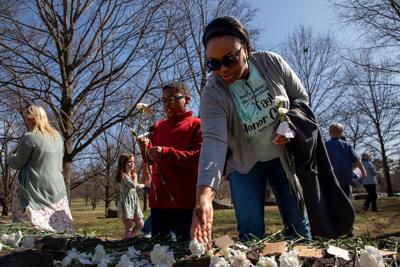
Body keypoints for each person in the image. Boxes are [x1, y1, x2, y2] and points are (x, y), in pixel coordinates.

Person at [191, 16, 312, 245]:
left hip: (283, 157)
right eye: (213, 64)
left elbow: (301, 99)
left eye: (229, 59)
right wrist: (205, 195)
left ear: (245, 48)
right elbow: (214, 141)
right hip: (244, 165)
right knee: (250, 235)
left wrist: (287, 126)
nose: (223, 70)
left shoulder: (271, 63)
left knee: (298, 226)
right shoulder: (213, 93)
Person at [137, 81, 202, 241]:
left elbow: (199, 158)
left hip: (184, 200)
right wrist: (145, 149)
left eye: (171, 99)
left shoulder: (196, 125)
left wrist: (166, 152)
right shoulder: (158, 126)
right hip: (159, 200)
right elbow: (152, 162)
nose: (166, 104)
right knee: (159, 250)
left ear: (186, 99)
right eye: (164, 100)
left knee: (186, 249)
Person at [8, 105, 73, 233]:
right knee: (59, 229)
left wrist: (9, 157)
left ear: (33, 119)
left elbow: (16, 164)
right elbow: (59, 162)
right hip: (56, 188)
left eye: (27, 119)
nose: (27, 123)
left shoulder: (30, 137)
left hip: (34, 189)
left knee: (29, 230)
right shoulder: (58, 138)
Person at [325, 123, 366, 198]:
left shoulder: (324, 146)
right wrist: (363, 172)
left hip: (329, 179)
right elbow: (357, 161)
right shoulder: (347, 145)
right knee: (345, 201)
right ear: (341, 133)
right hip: (345, 179)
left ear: (329, 133)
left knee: (332, 202)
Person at [116, 153, 145, 239]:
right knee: (129, 228)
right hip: (126, 204)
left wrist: (143, 184)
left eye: (133, 162)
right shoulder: (123, 176)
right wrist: (137, 178)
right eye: (129, 162)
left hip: (134, 204)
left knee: (140, 224)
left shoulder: (130, 175)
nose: (132, 163)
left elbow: (135, 186)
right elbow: (134, 186)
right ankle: (126, 244)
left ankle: (127, 240)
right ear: (123, 163)